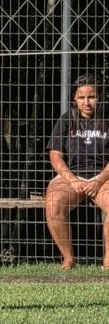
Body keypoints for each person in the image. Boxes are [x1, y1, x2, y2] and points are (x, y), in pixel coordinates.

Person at [44, 73, 109, 270]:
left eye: (91, 97)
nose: (86, 102)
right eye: (81, 97)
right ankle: (68, 259)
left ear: (100, 96)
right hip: (72, 176)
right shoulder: (65, 120)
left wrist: (98, 181)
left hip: (103, 176)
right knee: (53, 205)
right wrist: (72, 180)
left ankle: (108, 260)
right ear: (74, 98)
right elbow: (55, 155)